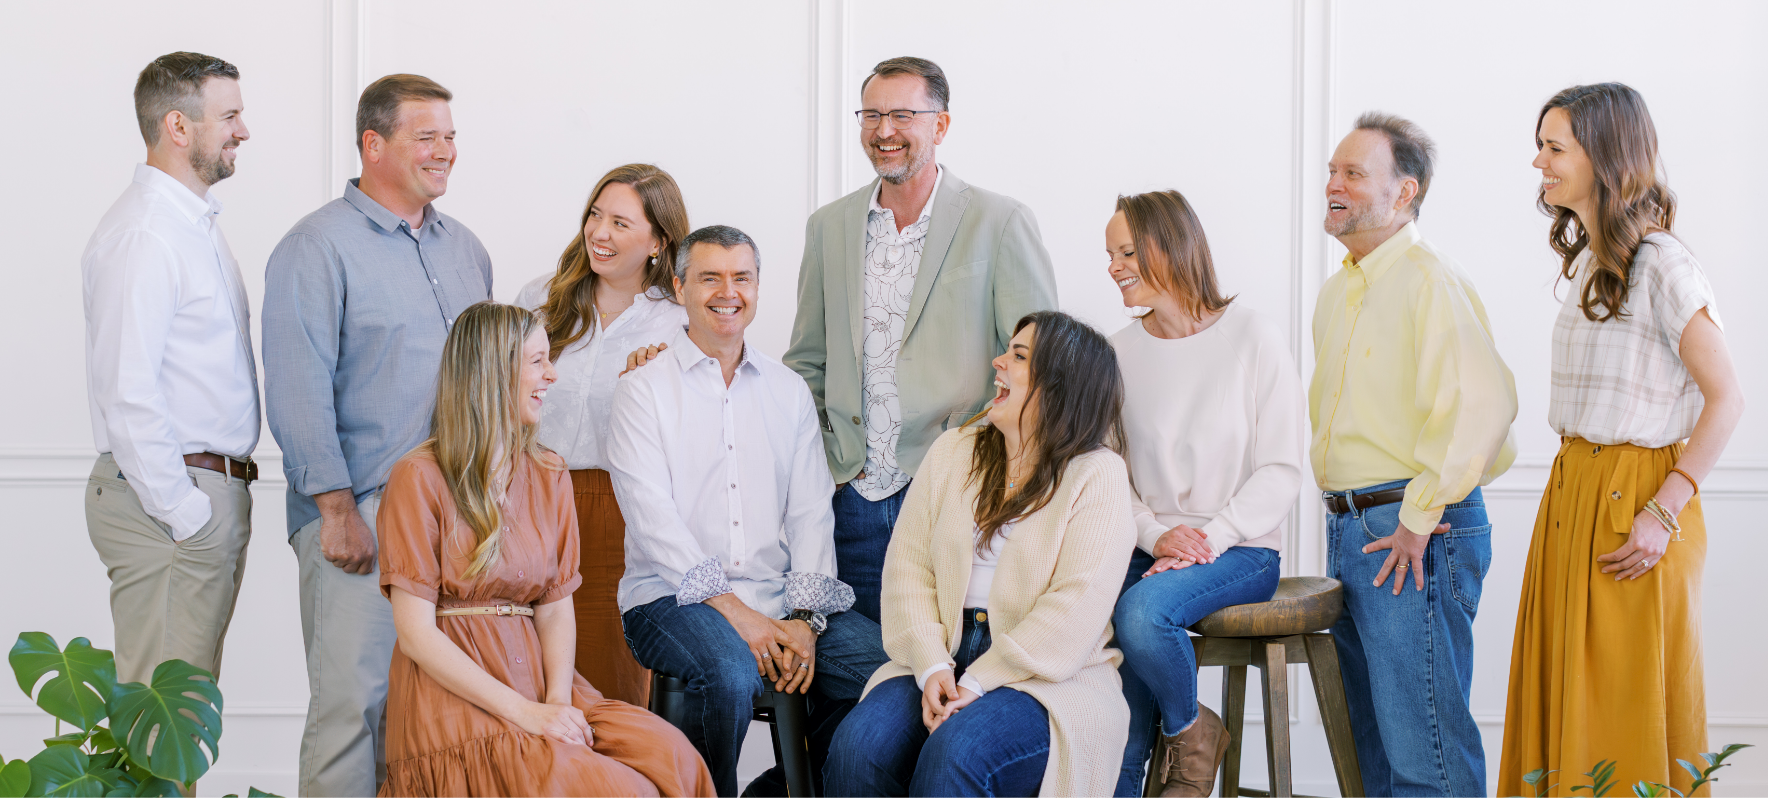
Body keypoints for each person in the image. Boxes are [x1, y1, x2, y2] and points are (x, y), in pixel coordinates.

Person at [1498, 83, 1743, 797]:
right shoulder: (1588, 263)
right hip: (1574, 493)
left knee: (1624, 706)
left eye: (1554, 147)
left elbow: (1728, 399)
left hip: (1639, 500)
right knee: (1568, 698)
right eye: (1540, 145)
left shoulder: (1664, 263)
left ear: (1603, 155)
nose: (1538, 161)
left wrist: (1663, 509)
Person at [373, 301, 713, 798]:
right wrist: (528, 715)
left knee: (674, 757)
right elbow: (417, 635)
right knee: (615, 790)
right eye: (537, 361)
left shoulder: (549, 473)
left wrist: (557, 704)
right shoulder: (417, 477)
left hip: (541, 680)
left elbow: (554, 609)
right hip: (456, 698)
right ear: (492, 370)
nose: (551, 375)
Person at [264, 74, 494, 797]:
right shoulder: (315, 247)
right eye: (427, 137)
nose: (446, 152)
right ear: (374, 143)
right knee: (351, 710)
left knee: (431, 716)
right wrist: (335, 511)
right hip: (360, 515)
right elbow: (298, 386)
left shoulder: (468, 251)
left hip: (456, 520)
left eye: (450, 137)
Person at [609, 226, 889, 798]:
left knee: (890, 668)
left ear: (759, 288)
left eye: (742, 277)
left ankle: (779, 788)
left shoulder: (787, 392)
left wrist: (806, 622)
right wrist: (738, 614)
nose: (727, 291)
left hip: (780, 597)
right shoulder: (644, 389)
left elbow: (811, 512)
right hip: (668, 597)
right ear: (680, 286)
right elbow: (652, 519)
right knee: (729, 671)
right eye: (710, 276)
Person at [784, 56, 1059, 626]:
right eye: (872, 115)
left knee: (945, 668)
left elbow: (1040, 365)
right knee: (853, 684)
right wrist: (824, 468)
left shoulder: (1000, 220)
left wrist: (988, 464)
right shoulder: (827, 226)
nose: (885, 131)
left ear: (941, 125)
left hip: (958, 490)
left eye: (903, 115)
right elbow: (806, 362)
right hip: (849, 498)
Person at [824, 310, 1137, 798]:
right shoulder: (955, 450)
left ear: (1060, 383)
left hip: (1047, 677)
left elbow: (1075, 609)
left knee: (957, 753)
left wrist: (980, 681)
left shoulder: (1098, 474)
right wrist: (931, 665)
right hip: (943, 654)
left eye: (1017, 355)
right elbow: (908, 569)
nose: (998, 361)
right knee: (856, 750)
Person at [1312, 113, 1518, 798]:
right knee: (1374, 754)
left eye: (1353, 174)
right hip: (1357, 529)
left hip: (1412, 527)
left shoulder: (1431, 281)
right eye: (1333, 171)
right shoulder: (1339, 291)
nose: (1333, 185)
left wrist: (1418, 518)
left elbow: (1481, 408)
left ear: (1404, 192)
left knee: (1424, 751)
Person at [1104, 192, 1307, 798]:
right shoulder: (1118, 352)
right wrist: (1155, 535)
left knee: (1141, 613)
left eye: (1127, 252)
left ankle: (1192, 735)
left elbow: (1281, 469)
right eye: (1109, 255)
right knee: (1102, 631)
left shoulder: (1253, 337)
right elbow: (1111, 472)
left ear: (1170, 247)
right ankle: (1126, 778)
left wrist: (1203, 541)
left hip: (1241, 547)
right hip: (1146, 543)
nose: (1113, 267)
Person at [82, 51, 258, 685]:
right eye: (230, 115)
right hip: (171, 502)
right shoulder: (147, 234)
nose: (243, 130)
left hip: (196, 496)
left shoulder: (191, 226)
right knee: (161, 724)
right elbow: (125, 389)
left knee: (181, 716)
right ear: (179, 127)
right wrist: (183, 512)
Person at [515, 164, 690, 706]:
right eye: (595, 215)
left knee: (608, 678)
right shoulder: (540, 299)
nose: (599, 233)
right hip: (528, 501)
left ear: (659, 240)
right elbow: (498, 399)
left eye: (620, 222)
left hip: (620, 513)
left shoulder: (679, 321)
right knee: (525, 669)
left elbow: (702, 435)